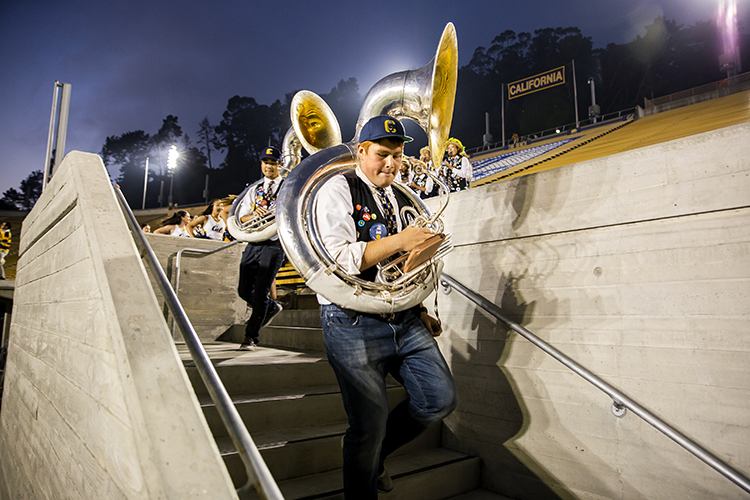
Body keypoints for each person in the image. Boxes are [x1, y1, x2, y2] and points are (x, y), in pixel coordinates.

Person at [313, 115, 457, 499]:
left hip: (403, 317)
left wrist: (420, 307)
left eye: (397, 155)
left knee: (438, 399)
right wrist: (402, 240)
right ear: (361, 151)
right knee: (368, 427)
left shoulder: (397, 195)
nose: (391, 164)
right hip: (351, 321)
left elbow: (402, 266)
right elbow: (341, 259)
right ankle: (365, 462)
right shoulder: (336, 188)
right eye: (382, 155)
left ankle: (372, 458)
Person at [236, 146, 286, 351]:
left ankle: (251, 337)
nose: (269, 166)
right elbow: (242, 217)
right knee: (243, 290)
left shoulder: (287, 186)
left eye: (273, 162)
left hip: (274, 243)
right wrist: (255, 214)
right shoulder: (254, 190)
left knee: (260, 293)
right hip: (254, 241)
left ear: (280, 165)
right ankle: (272, 307)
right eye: (266, 162)